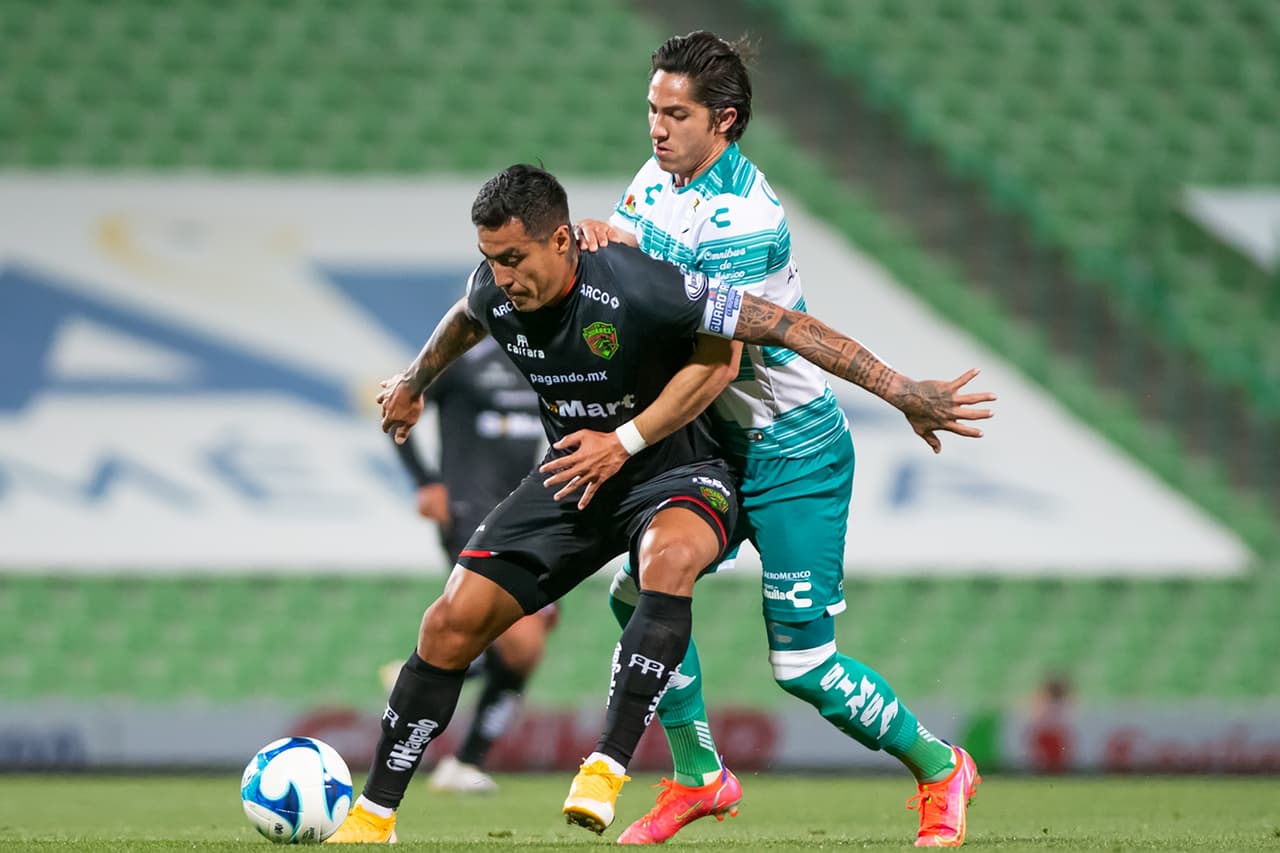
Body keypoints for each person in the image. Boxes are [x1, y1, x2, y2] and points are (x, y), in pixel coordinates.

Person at [327, 164, 992, 844]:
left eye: (513, 259)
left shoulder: (639, 284)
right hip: (578, 476)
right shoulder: (497, 292)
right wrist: (414, 380)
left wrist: (904, 389)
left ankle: (608, 765)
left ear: (562, 242)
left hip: (680, 470)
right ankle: (373, 813)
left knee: (680, 576)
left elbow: (784, 326)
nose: (501, 277)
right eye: (490, 260)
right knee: (449, 620)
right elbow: (466, 317)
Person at [567, 31, 989, 847]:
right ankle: (699, 776)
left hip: (792, 451)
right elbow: (636, 256)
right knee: (637, 590)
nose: (656, 128)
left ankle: (942, 767)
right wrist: (605, 239)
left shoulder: (745, 218)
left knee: (804, 668)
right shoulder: (655, 181)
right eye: (652, 109)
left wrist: (622, 437)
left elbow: (719, 361)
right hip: (716, 450)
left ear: (723, 121)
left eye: (676, 114)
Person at [383, 342, 556, 794]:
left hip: (526, 509)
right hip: (468, 512)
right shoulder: (460, 358)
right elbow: (398, 404)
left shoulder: (540, 354)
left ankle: (464, 755)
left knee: (525, 648)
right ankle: (455, 740)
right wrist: (426, 482)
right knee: (520, 641)